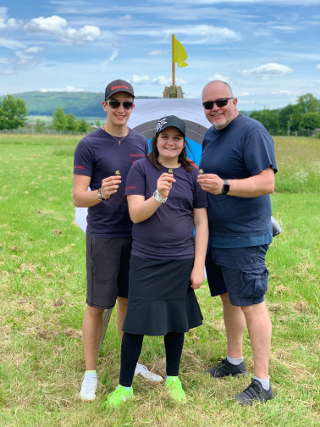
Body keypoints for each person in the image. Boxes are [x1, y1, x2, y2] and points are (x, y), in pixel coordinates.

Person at [103, 115, 208, 408]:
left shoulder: (192, 173)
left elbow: (201, 222)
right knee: (135, 324)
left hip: (180, 260)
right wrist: (159, 195)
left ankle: (173, 378)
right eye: (165, 137)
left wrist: (199, 265)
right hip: (146, 260)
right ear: (156, 140)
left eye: (176, 138)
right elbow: (136, 214)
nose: (170, 143)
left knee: (177, 323)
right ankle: (125, 386)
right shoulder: (141, 169)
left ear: (183, 143)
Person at [73, 79, 162, 402]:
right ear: (105, 106)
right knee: (98, 304)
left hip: (137, 235)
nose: (121, 109)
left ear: (133, 107)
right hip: (104, 235)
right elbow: (77, 196)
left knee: (128, 302)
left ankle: (132, 362)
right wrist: (101, 193)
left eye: (127, 104)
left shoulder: (141, 142)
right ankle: (90, 372)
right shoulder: (89, 144)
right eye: (115, 103)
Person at [197, 80, 277, 405]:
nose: (215, 108)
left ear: (235, 100)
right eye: (208, 105)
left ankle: (263, 383)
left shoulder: (251, 131)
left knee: (251, 303)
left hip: (245, 237)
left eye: (221, 101)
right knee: (229, 299)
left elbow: (267, 181)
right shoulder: (211, 135)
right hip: (220, 236)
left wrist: (225, 186)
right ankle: (234, 361)